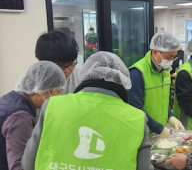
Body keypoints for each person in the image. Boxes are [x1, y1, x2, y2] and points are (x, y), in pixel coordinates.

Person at [22, 52, 153, 170]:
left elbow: (28, 163)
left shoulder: (52, 106)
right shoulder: (137, 119)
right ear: (123, 82)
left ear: (86, 75)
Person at [0, 61, 65, 170]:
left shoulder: (10, 99)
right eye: (58, 92)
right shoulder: (20, 117)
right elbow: (18, 166)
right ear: (41, 90)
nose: (58, 97)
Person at [128, 32, 184, 138]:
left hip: (157, 133)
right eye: (169, 57)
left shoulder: (164, 71)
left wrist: (170, 116)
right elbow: (136, 109)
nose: (171, 61)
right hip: (141, 133)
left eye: (174, 57)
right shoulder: (137, 73)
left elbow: (161, 100)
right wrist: (160, 129)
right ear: (155, 52)